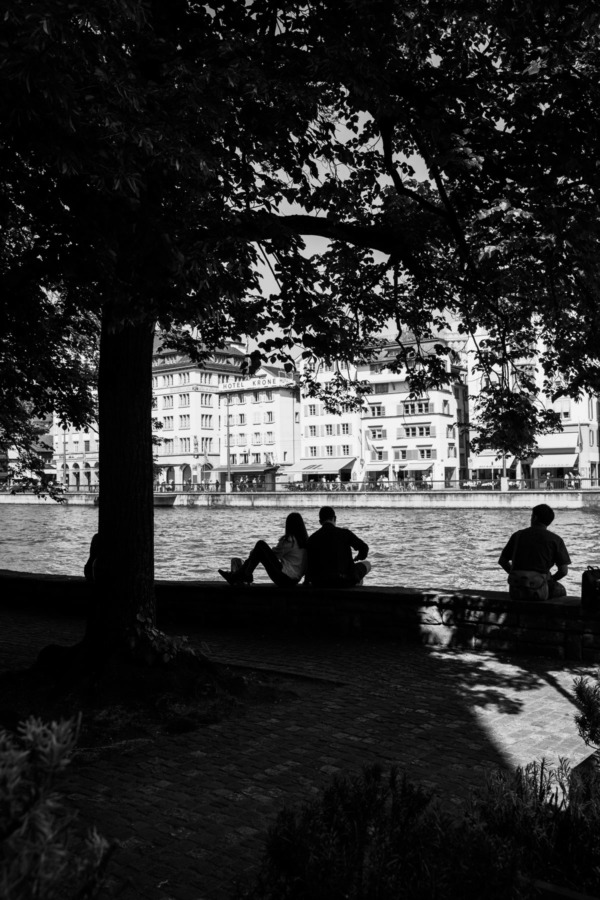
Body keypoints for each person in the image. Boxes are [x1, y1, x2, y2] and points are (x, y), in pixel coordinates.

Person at [498, 503, 571, 599]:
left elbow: (502, 561)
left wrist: (517, 575)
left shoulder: (517, 535)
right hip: (538, 591)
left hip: (516, 590)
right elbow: (563, 571)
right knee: (560, 590)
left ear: (535, 518)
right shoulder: (555, 540)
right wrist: (550, 579)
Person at [218, 512, 308, 587]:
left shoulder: (290, 540)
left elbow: (275, 554)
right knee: (259, 550)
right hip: (293, 581)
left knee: (260, 544)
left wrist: (254, 553)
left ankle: (242, 575)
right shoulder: (304, 541)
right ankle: (242, 575)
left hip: (284, 578)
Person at [305, 506, 372, 588]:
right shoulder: (344, 533)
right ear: (334, 518)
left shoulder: (312, 538)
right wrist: (359, 557)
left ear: (320, 521)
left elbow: (308, 564)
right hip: (343, 580)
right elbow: (364, 548)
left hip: (320, 582)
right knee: (367, 564)